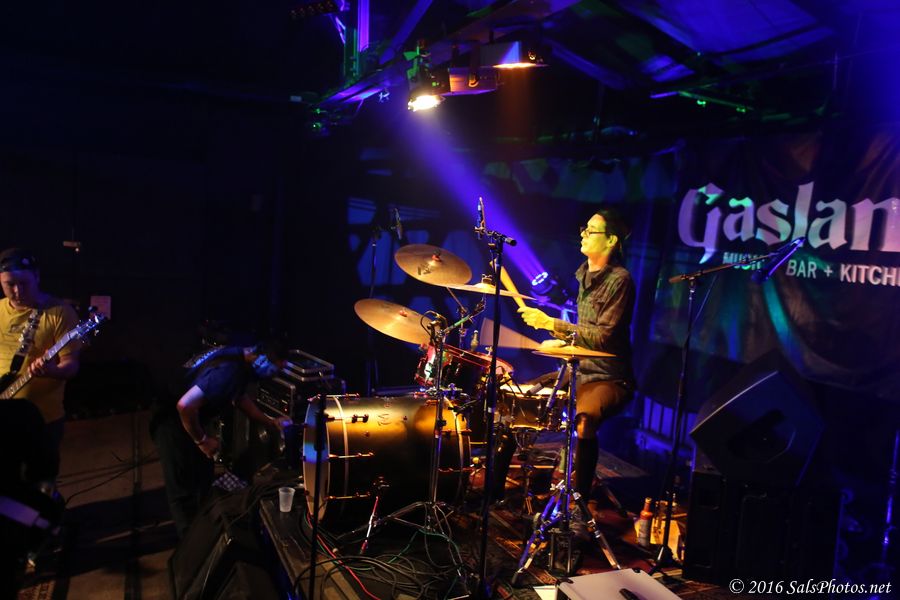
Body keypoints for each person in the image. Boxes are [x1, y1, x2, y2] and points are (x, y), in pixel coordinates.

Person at [518, 208, 635, 515]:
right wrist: (564, 340)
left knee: (584, 420)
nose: (583, 233)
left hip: (609, 376)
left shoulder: (620, 280)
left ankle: (579, 500)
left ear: (611, 240)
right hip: (580, 367)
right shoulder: (583, 273)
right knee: (519, 397)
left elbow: (604, 338)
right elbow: (585, 333)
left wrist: (552, 324)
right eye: (584, 228)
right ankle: (503, 493)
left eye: (591, 230)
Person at [151, 341, 290, 537]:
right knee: (183, 491)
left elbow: (239, 397)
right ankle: (190, 543)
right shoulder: (228, 371)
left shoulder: (237, 357)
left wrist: (270, 422)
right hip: (172, 423)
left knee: (202, 479)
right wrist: (202, 441)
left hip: (189, 419)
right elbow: (185, 406)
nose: (272, 375)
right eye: (274, 369)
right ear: (261, 358)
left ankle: (203, 532)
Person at [0, 248, 81, 487]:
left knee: (39, 485)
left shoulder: (60, 313)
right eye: (9, 284)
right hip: (3, 416)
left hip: (43, 420)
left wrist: (53, 371)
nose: (17, 291)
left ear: (37, 276)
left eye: (24, 283)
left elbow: (71, 365)